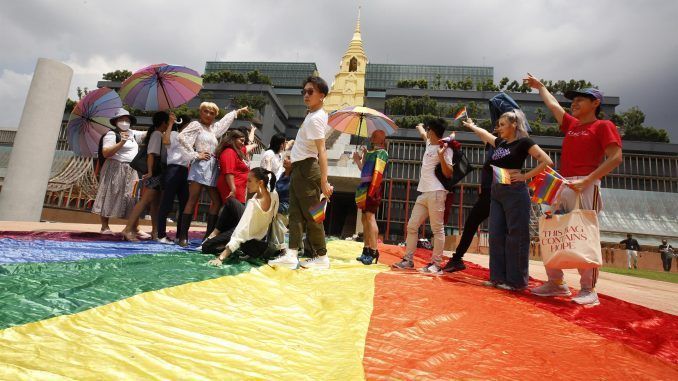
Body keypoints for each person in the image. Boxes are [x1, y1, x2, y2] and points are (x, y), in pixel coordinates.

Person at [525, 73, 622, 306]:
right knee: (552, 230)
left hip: (586, 185)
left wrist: (588, 180)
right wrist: (540, 87)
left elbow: (616, 157)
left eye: (581, 99)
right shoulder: (572, 124)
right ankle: (556, 283)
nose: (574, 103)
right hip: (563, 183)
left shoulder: (603, 126)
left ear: (596, 103)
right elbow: (553, 105)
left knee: (583, 235)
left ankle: (589, 289)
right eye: (573, 100)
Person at [462, 111, 552, 290]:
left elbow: (546, 161)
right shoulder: (501, 143)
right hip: (497, 192)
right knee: (495, 235)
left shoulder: (524, 142)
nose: (499, 128)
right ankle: (497, 278)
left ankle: (516, 281)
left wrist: (525, 175)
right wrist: (472, 125)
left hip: (515, 192)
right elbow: (485, 135)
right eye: (499, 125)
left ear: (514, 125)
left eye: (503, 124)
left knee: (516, 237)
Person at [268, 76, 334, 270]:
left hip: (308, 169)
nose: (306, 95)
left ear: (322, 95)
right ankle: (292, 253)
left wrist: (324, 181)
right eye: (304, 91)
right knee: (295, 214)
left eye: (310, 92)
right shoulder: (311, 115)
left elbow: (322, 150)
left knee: (313, 214)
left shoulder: (315, 118)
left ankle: (321, 256)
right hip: (299, 168)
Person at [175, 102, 249, 247]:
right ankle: (183, 236)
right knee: (193, 199)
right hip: (200, 166)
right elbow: (181, 138)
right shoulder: (196, 125)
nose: (208, 115)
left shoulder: (214, 129)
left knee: (216, 201)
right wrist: (195, 154)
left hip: (213, 167)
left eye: (212, 113)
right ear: (200, 112)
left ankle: (208, 237)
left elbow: (224, 122)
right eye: (206, 111)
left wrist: (237, 112)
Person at [392, 118, 454, 275]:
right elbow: (422, 134)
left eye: (427, 129)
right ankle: (408, 260)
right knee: (412, 226)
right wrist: (419, 126)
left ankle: (436, 264)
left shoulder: (445, 148)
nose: (426, 132)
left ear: (432, 131)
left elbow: (449, 173)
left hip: (437, 192)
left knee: (437, 229)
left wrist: (441, 156)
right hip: (424, 193)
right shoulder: (429, 142)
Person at [207, 167, 279, 265]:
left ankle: (224, 242)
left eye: (249, 181)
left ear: (260, 183)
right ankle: (215, 233)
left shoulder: (253, 204)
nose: (247, 184)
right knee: (231, 201)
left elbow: (240, 233)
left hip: (250, 244)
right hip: (260, 240)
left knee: (206, 246)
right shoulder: (274, 194)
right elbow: (272, 217)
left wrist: (221, 258)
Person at [121, 111, 175, 241]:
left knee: (155, 204)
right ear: (164, 123)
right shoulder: (157, 134)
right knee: (145, 201)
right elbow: (152, 154)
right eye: (168, 121)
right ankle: (127, 229)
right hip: (156, 172)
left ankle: (155, 232)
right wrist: (150, 172)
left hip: (159, 172)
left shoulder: (160, 134)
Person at [92, 108, 147, 237]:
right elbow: (106, 152)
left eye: (127, 120)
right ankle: (104, 226)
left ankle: (135, 227)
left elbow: (146, 134)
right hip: (115, 167)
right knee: (109, 193)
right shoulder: (111, 134)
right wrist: (122, 142)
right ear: (116, 121)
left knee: (132, 197)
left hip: (131, 169)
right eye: (122, 120)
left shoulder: (132, 133)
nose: (124, 122)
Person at [353, 130, 389, 265]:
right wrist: (359, 159)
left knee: (370, 216)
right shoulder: (371, 153)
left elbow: (377, 174)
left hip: (372, 187)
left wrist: (372, 190)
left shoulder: (382, 153)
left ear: (382, 139)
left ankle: (374, 250)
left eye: (376, 135)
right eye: (372, 135)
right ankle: (366, 249)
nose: (372, 136)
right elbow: (363, 170)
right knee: (364, 218)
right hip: (364, 187)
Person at [156, 117, 192, 244]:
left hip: (184, 172)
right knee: (166, 203)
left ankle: (180, 235)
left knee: (185, 204)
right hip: (173, 169)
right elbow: (165, 141)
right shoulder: (174, 133)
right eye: (188, 125)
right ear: (182, 125)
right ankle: (161, 235)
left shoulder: (189, 138)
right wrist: (170, 122)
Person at [216, 129, 250, 205]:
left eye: (244, 141)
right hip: (232, 189)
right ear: (233, 139)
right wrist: (233, 188)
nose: (243, 143)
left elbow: (246, 148)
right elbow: (228, 172)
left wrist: (254, 144)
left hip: (238, 189)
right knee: (234, 213)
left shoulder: (235, 152)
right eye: (241, 141)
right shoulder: (229, 152)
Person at [270, 155, 292, 252]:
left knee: (276, 215)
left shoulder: (295, 177)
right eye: (286, 157)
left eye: (289, 158)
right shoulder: (282, 175)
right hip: (278, 203)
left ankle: (280, 248)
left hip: (287, 206)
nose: (285, 159)